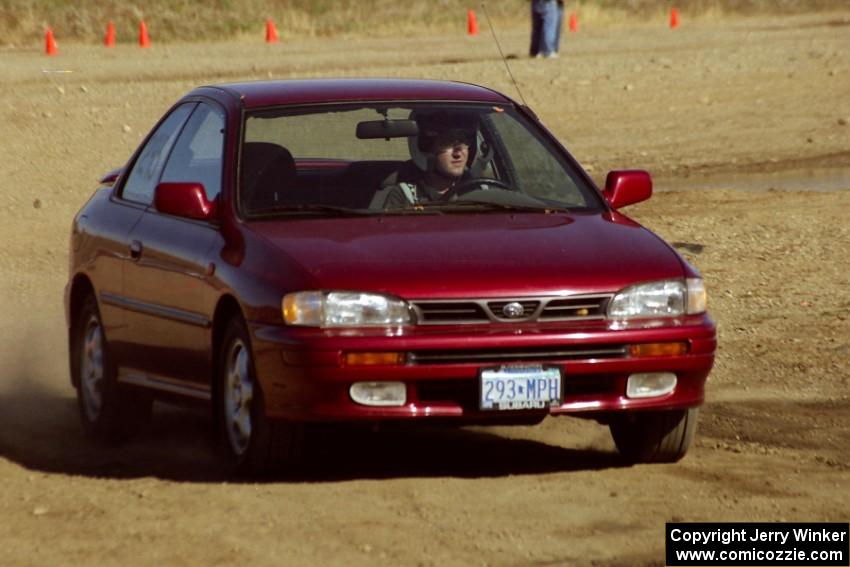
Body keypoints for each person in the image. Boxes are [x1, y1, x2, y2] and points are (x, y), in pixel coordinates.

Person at [375, 112, 477, 209]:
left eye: (463, 142)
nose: (458, 154)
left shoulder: (476, 191)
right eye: (447, 143)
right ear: (426, 151)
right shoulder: (405, 196)